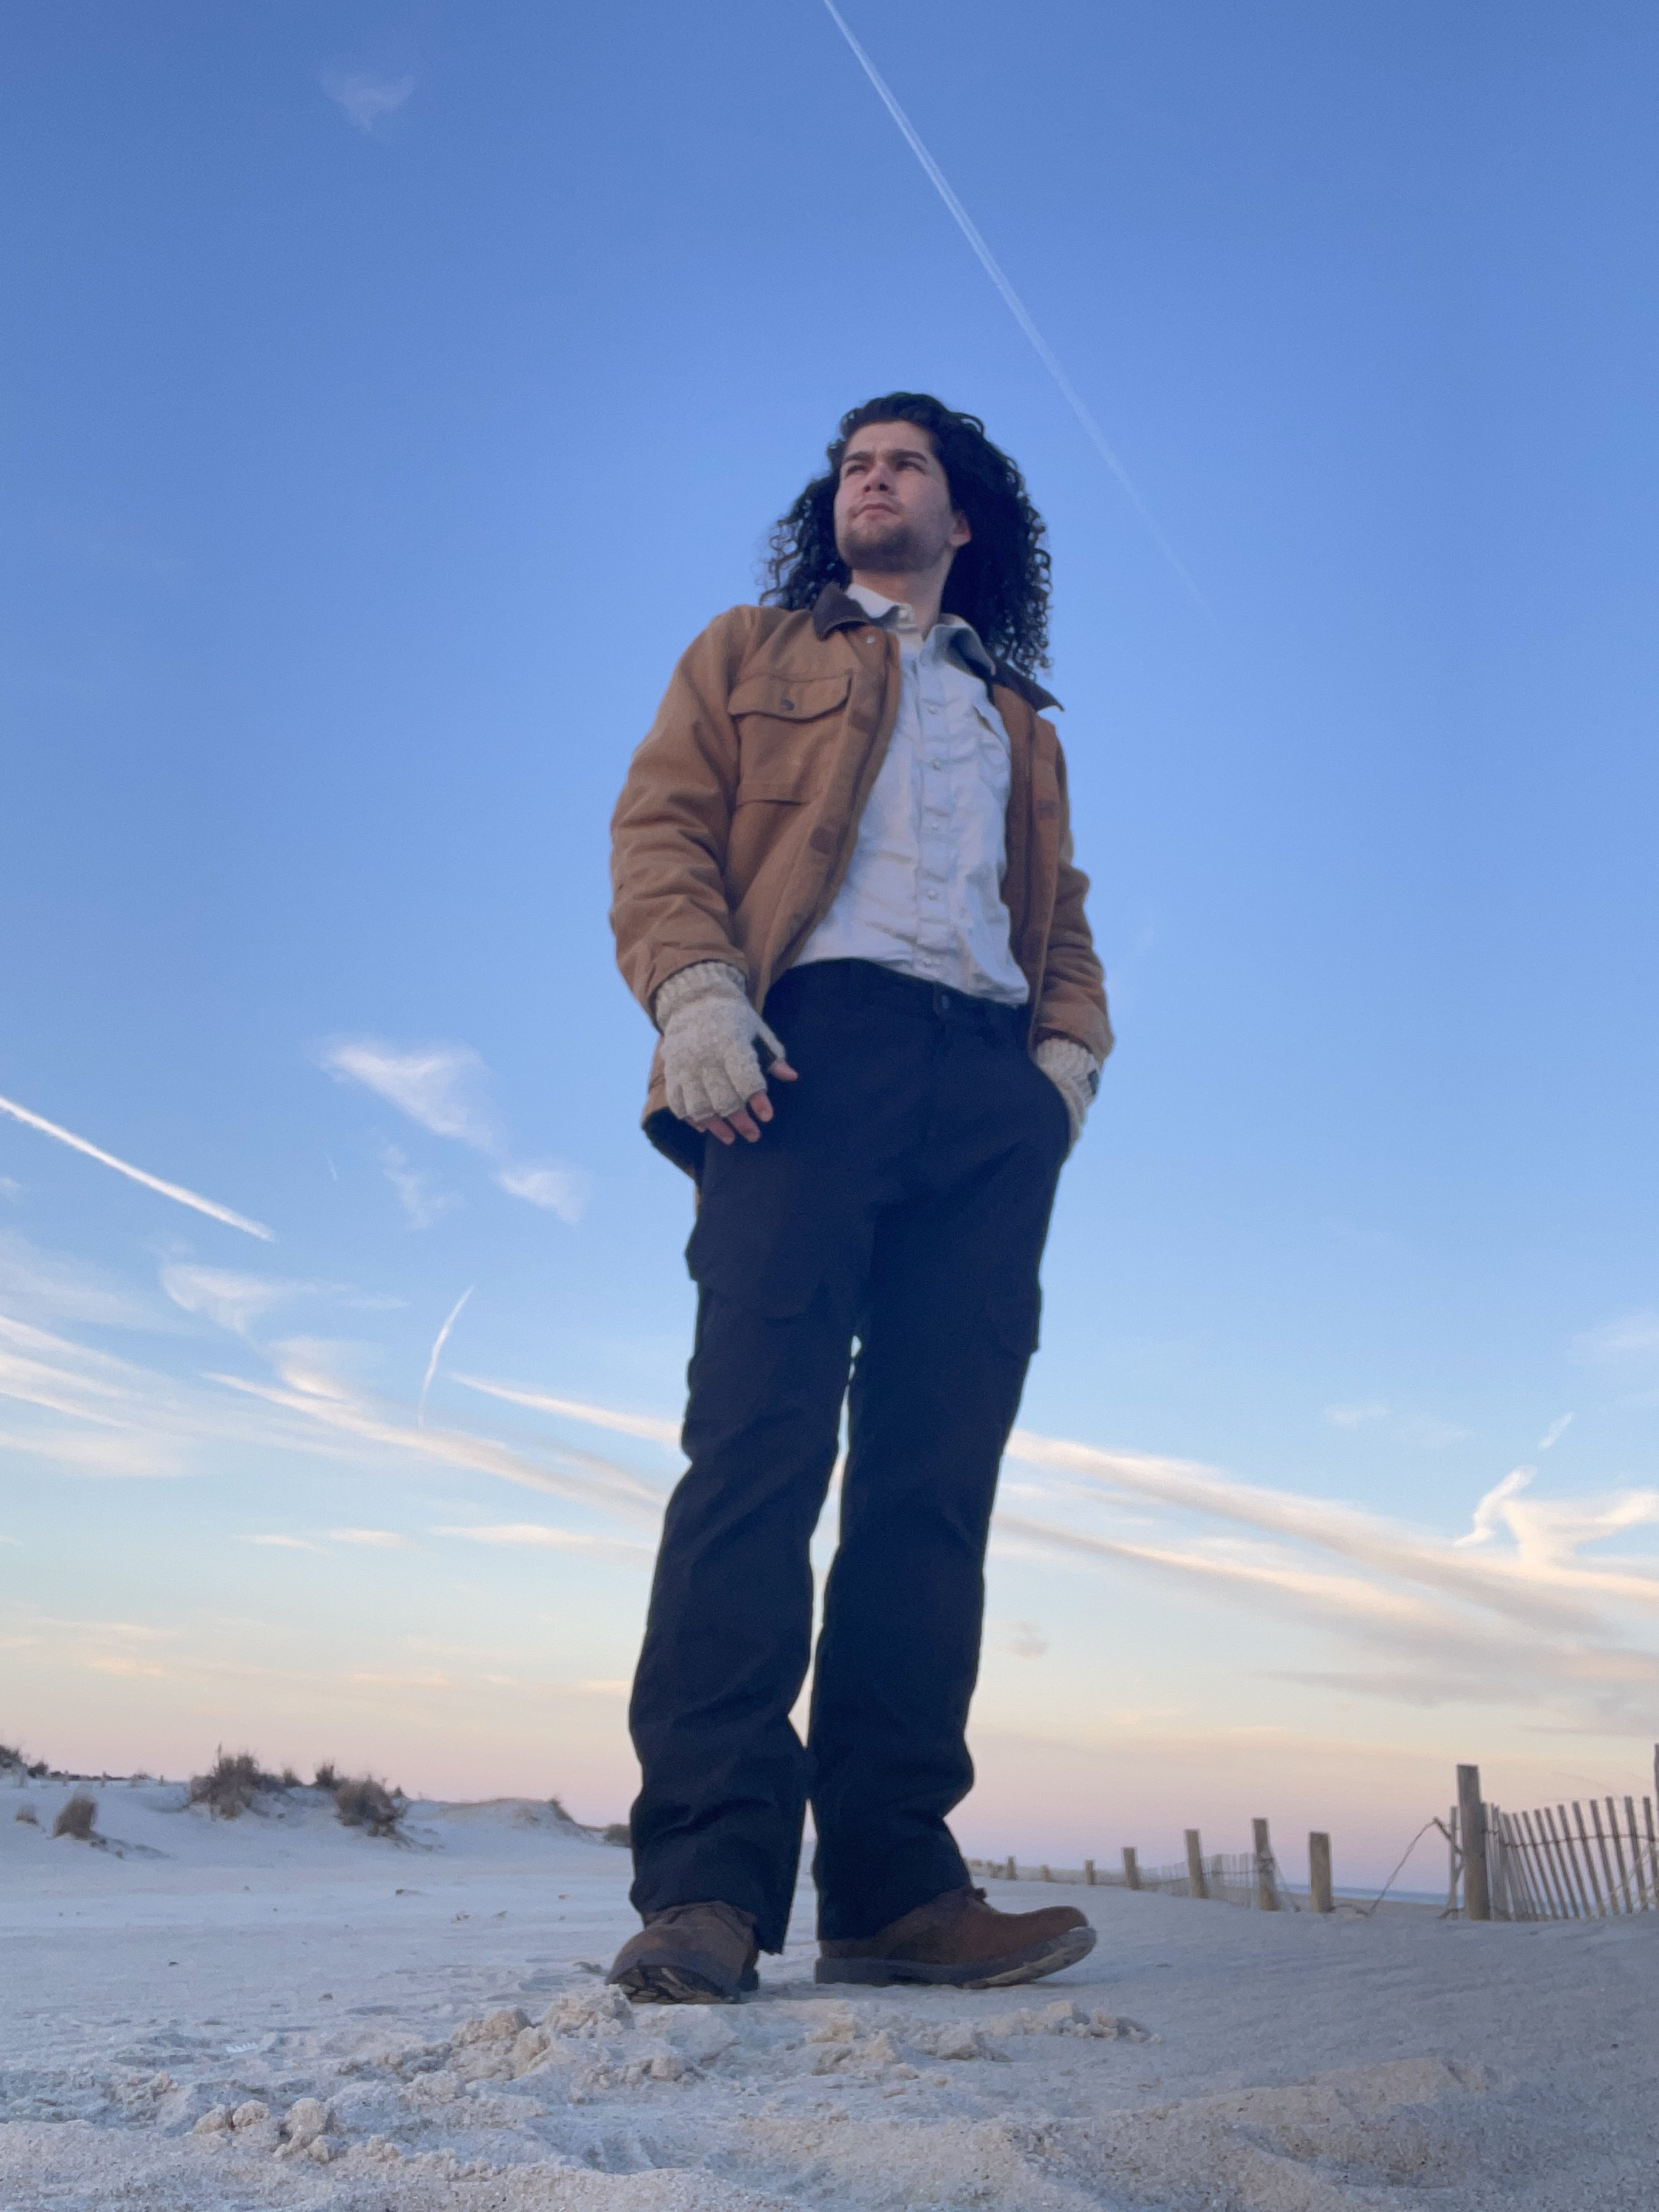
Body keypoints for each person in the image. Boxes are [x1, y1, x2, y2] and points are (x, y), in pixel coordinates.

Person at [606, 393, 1111, 2004]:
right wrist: (694, 990)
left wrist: (1062, 1072)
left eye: (902, 464)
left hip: (986, 1091)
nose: (868, 480)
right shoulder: (749, 650)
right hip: (802, 1058)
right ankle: (706, 1887)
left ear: (964, 516)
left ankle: (895, 1888)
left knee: (931, 1484)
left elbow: (1062, 917)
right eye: (851, 466)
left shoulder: (1020, 718)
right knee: (755, 1453)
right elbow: (662, 827)